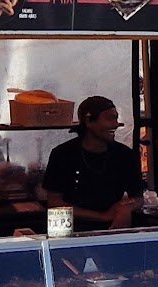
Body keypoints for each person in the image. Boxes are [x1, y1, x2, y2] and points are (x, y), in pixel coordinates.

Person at [43, 95, 144, 232]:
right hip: (67, 230)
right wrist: (102, 216)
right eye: (109, 118)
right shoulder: (63, 154)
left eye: (116, 118)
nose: (115, 124)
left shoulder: (124, 154)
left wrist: (125, 209)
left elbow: (138, 197)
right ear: (88, 121)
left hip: (111, 228)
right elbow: (54, 204)